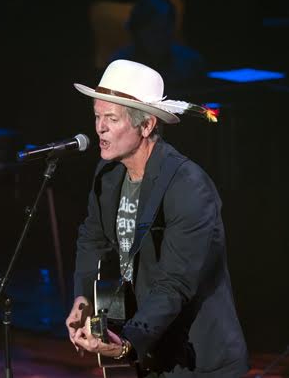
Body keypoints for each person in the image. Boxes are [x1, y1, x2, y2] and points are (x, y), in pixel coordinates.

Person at [65, 59, 249, 377]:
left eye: (111, 118)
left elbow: (175, 283)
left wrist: (127, 343)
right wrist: (83, 298)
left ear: (147, 125)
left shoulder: (189, 187)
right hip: (148, 352)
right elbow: (91, 236)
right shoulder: (107, 173)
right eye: (97, 116)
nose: (100, 128)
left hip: (197, 358)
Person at [109, 0, 205, 88]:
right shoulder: (120, 65)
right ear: (137, 31)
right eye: (153, 30)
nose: (160, 37)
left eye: (165, 29)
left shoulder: (191, 62)